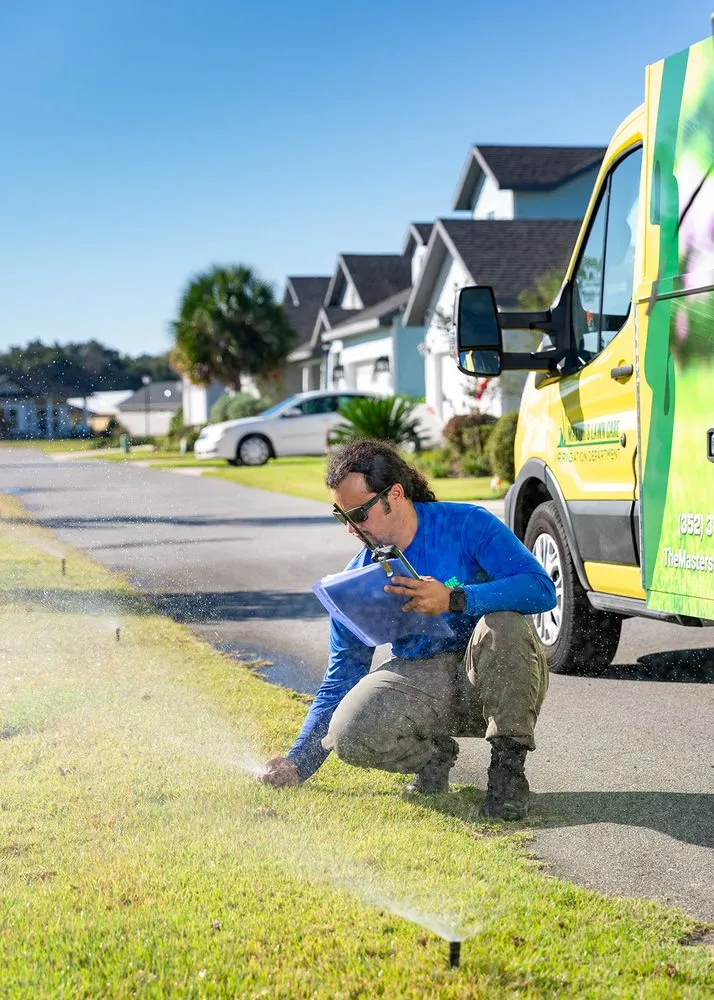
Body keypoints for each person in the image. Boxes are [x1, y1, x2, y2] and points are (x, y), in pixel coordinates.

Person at [260, 439, 556, 820]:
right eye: (343, 517)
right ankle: (434, 756)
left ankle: (507, 772)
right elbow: (341, 677)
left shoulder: (467, 524)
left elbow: (541, 589)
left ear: (394, 495)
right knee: (348, 733)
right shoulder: (358, 579)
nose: (352, 529)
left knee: (505, 624)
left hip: (495, 676)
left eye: (360, 514)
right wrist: (297, 763)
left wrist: (455, 598)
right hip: (425, 684)